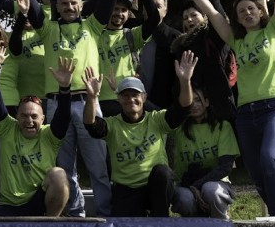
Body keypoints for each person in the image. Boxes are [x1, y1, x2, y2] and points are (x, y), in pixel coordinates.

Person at [25, 0, 129, 217]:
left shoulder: (93, 26)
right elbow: (33, 8)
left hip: (88, 103)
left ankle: (104, 215)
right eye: (64, 4)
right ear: (57, 6)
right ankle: (75, 214)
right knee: (64, 166)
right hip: (56, 104)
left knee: (98, 165)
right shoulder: (48, 29)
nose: (69, 7)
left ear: (81, 5)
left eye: (73, 3)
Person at [171, 0, 275, 215]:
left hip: (273, 108)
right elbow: (209, 10)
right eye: (241, 11)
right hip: (245, 115)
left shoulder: (272, 31)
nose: (247, 12)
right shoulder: (235, 40)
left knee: (270, 159)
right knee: (256, 173)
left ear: (261, 11)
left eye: (251, 8)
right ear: (236, 18)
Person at [82, 51, 198, 217]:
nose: (131, 100)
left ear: (144, 97)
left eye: (135, 95)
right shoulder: (113, 125)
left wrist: (185, 80)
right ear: (118, 99)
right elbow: (90, 124)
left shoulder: (157, 120)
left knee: (163, 172)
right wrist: (92, 97)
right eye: (125, 96)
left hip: (155, 188)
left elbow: (183, 108)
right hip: (126, 190)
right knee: (124, 226)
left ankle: (160, 220)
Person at [0, 57, 75, 217]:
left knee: (59, 175)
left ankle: (50, 223)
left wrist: (64, 88)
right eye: (24, 115)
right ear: (16, 117)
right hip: (10, 206)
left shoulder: (49, 135)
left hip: (40, 202)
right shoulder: (7, 129)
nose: (29, 120)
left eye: (34, 116)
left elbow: (64, 116)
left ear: (43, 119)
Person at [97, 0, 161, 116]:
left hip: (129, 100)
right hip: (102, 101)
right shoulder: (94, 35)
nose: (119, 13)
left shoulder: (132, 35)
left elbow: (154, 18)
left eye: (124, 10)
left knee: (162, 118)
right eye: (115, 8)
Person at [170, 86, 239, 219]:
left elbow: (226, 167)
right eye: (190, 101)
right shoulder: (177, 129)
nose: (194, 105)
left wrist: (197, 185)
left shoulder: (222, 126)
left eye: (198, 100)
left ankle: (221, 226)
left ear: (206, 102)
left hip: (216, 182)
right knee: (185, 200)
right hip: (185, 184)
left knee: (211, 191)